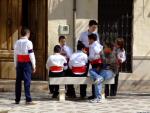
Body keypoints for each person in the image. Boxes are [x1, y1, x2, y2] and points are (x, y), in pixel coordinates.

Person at [14, 27, 36, 105]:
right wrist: (34, 65)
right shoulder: (28, 42)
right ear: (28, 34)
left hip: (19, 63)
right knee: (27, 81)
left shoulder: (17, 42)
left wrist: (15, 64)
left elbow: (15, 54)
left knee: (18, 82)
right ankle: (28, 99)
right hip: (27, 63)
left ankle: (17, 99)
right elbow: (31, 54)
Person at [78, 20, 100, 98]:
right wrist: (82, 51)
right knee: (83, 73)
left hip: (93, 56)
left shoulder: (96, 34)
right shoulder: (83, 34)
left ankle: (94, 94)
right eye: (93, 27)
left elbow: (98, 45)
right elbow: (79, 44)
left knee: (95, 73)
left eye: (95, 27)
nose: (94, 29)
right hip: (85, 54)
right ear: (89, 26)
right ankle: (82, 93)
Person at [88, 33, 103, 99]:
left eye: (89, 39)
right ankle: (95, 94)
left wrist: (89, 57)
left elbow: (98, 53)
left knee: (96, 78)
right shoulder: (98, 44)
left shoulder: (94, 46)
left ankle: (96, 95)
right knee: (95, 79)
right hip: (97, 63)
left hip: (96, 63)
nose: (88, 41)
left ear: (92, 39)